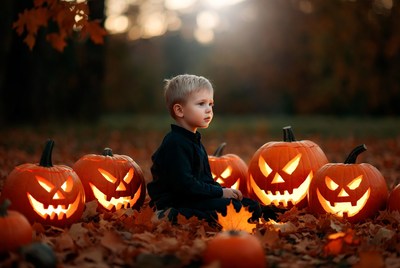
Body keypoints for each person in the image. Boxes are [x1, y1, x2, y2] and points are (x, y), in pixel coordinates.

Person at [146, 74, 278, 225]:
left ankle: (267, 212)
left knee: (249, 205)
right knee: (231, 210)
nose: (208, 110)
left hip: (194, 197)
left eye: (211, 104)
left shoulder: (194, 141)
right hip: (178, 201)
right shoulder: (175, 143)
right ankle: (171, 216)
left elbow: (205, 180)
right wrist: (220, 193)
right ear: (179, 110)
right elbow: (185, 185)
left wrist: (223, 190)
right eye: (201, 104)